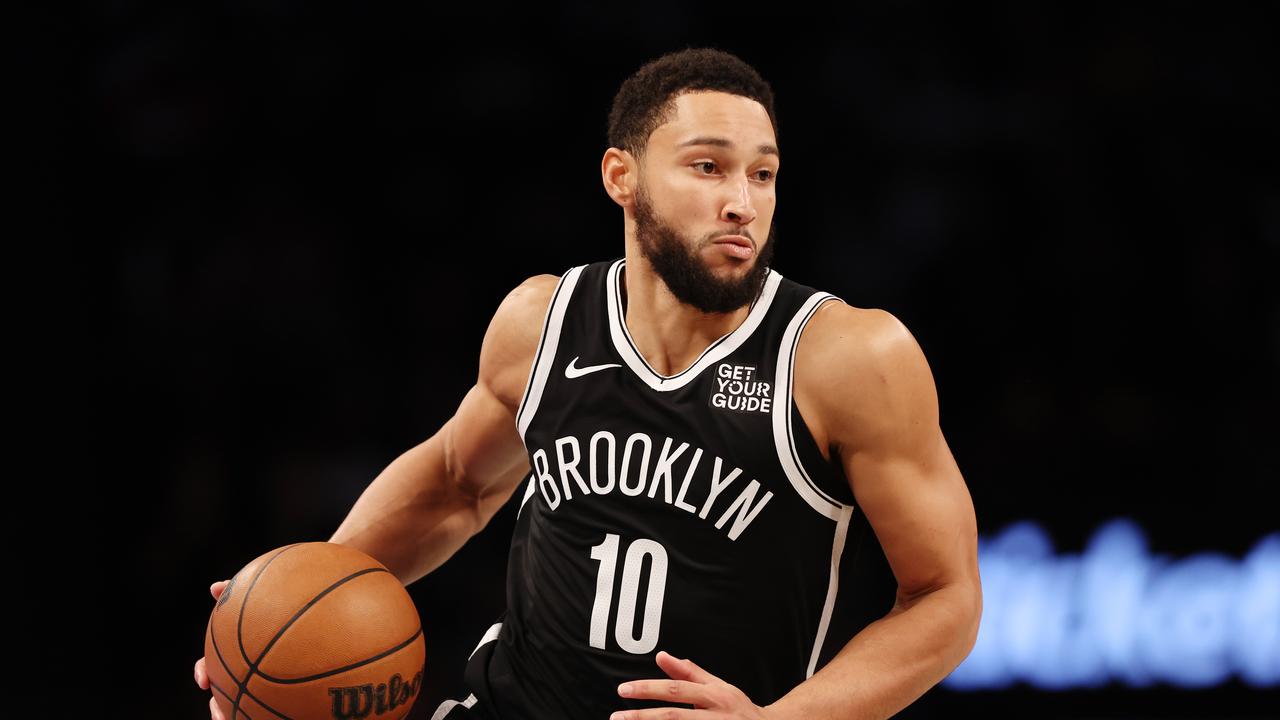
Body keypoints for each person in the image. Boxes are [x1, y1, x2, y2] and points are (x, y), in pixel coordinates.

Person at [194, 47, 982, 720]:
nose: (742, 203)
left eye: (763, 174)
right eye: (708, 167)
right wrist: (294, 607)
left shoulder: (846, 356)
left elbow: (946, 597)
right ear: (622, 177)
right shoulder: (542, 320)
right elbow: (454, 485)